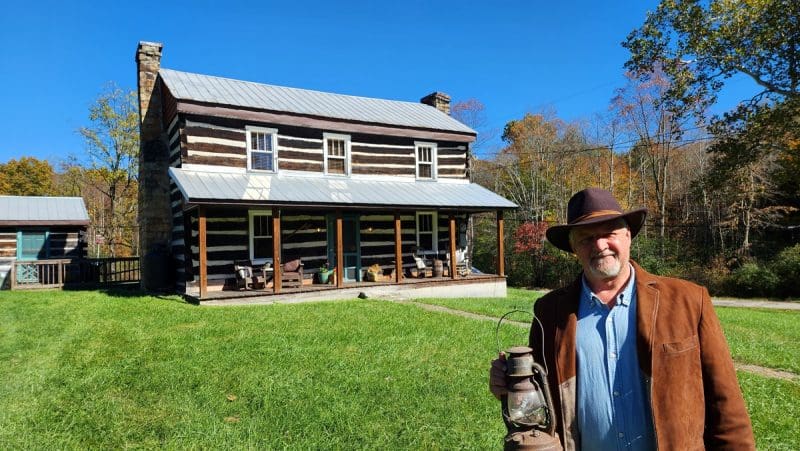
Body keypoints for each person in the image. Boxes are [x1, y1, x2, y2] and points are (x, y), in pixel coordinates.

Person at [489, 187, 754, 450]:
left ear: (628, 236)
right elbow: (539, 396)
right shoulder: (550, 312)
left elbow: (726, 401)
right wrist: (510, 387)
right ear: (573, 248)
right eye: (586, 238)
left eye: (609, 233)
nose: (600, 245)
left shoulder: (688, 300)